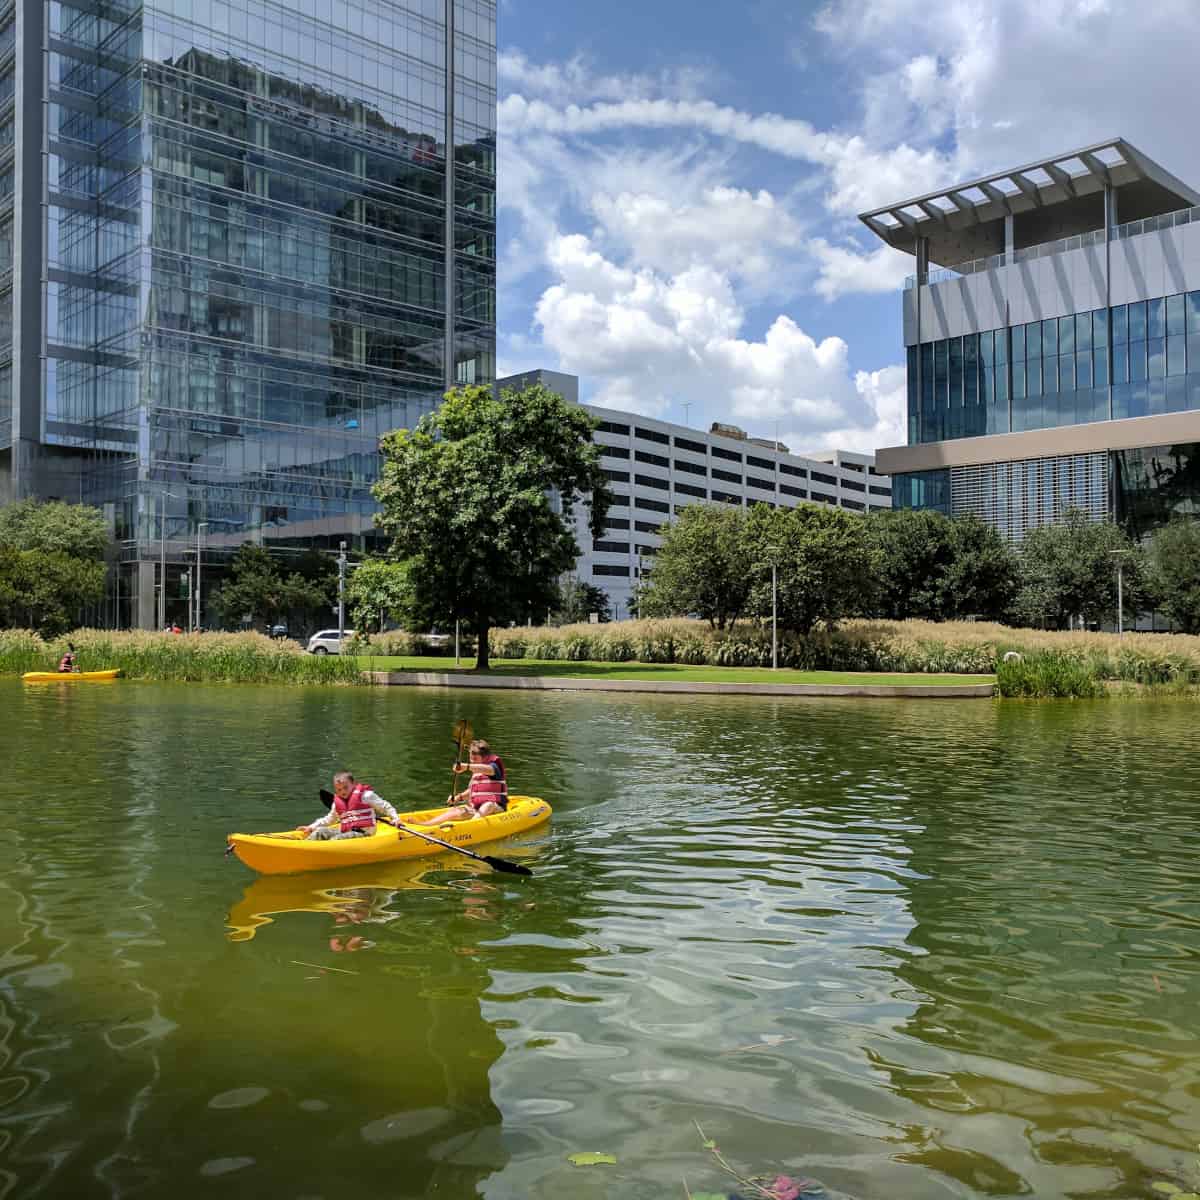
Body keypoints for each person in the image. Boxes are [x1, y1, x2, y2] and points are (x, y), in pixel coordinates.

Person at [415, 739, 508, 827]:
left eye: (474, 753)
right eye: (470, 752)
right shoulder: (476, 771)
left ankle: (470, 827)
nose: (471, 756)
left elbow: (490, 770)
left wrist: (466, 766)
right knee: (455, 811)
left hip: (496, 808)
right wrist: (458, 798)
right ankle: (427, 825)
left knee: (488, 805)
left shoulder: (494, 766)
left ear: (484, 756)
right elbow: (472, 791)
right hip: (476, 809)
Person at [298, 771, 400, 841]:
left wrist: (395, 818)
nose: (342, 792)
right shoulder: (336, 803)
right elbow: (329, 819)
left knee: (336, 840)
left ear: (353, 784)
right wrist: (311, 827)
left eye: (345, 787)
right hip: (345, 831)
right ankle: (302, 849)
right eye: (339, 790)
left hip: (364, 834)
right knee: (320, 832)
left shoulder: (366, 795)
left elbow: (385, 806)